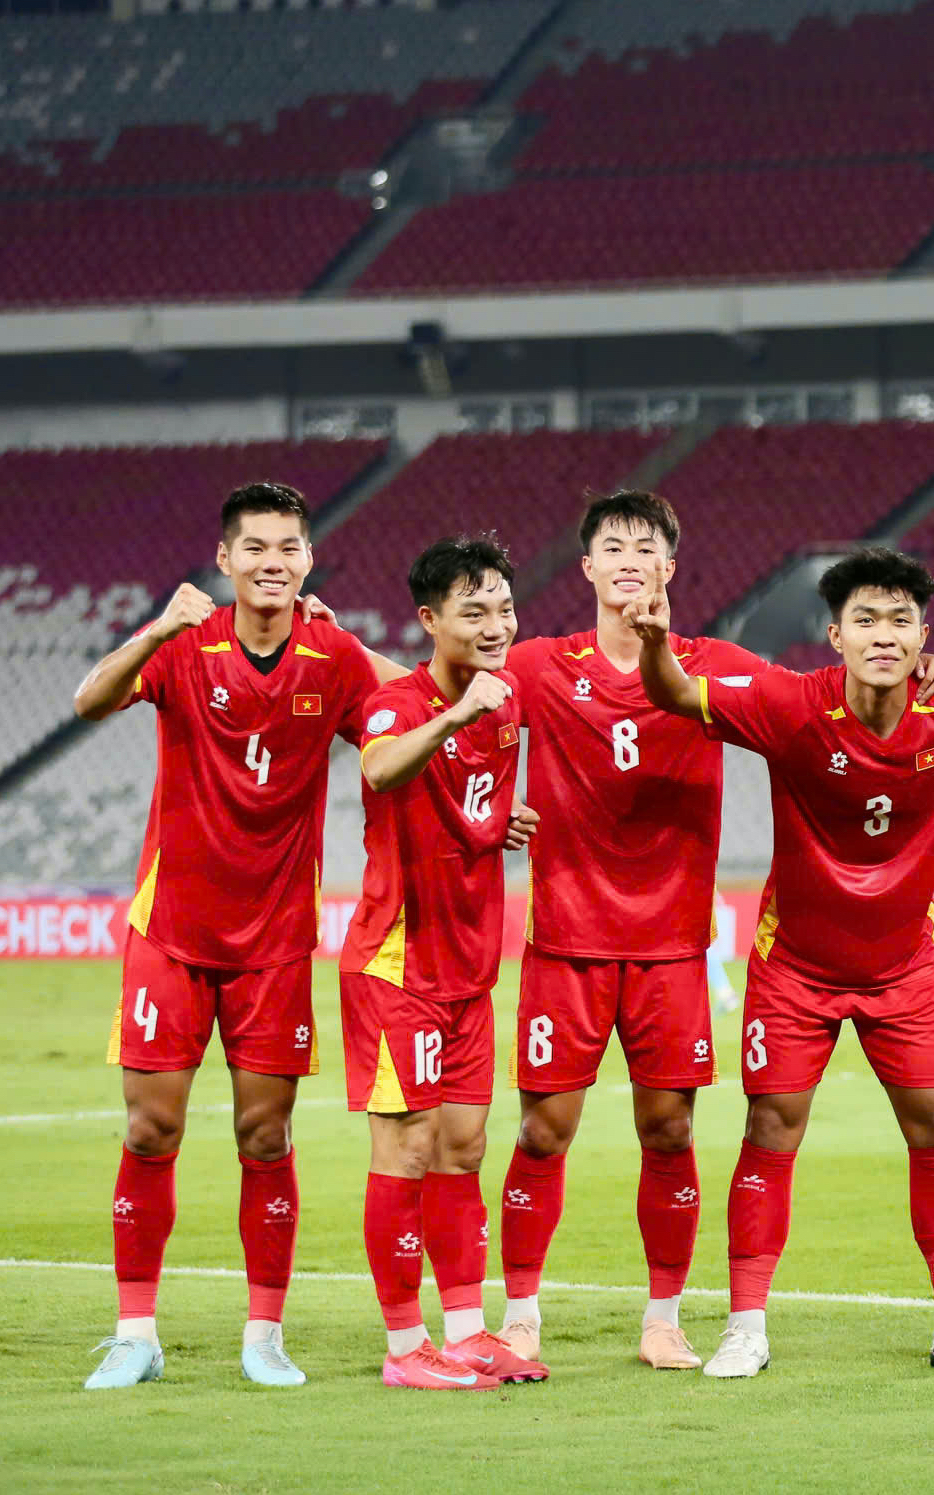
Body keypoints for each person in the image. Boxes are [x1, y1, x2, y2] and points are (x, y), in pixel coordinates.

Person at [634, 546, 934, 1379]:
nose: (885, 635)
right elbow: (669, 692)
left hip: (904, 966)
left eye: (900, 621)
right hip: (796, 966)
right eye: (867, 621)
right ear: (836, 633)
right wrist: (659, 642)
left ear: (925, 635)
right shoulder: (787, 703)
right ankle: (745, 1324)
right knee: (771, 1128)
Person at [72, 482, 384, 1390]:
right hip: (169, 932)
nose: (272, 561)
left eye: (288, 546)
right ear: (224, 559)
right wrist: (158, 628)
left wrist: (358, 641)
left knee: (264, 1134)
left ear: (309, 560)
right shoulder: (185, 647)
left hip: (276, 940)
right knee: (149, 1127)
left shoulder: (333, 655)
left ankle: (264, 1334)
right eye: (255, 547)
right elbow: (92, 700)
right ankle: (136, 1331)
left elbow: (412, 714)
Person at [489, 491, 761, 1372]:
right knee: (541, 1131)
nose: (630, 557)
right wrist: (494, 804)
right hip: (565, 940)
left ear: (670, 570)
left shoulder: (709, 664)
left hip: (671, 945)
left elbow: (808, 705)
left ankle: (663, 1317)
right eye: (614, 545)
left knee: (670, 1132)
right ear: (589, 569)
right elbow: (432, 695)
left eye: (647, 546)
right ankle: (521, 1311)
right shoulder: (538, 665)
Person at [342, 534, 546, 1390]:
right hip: (400, 967)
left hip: (469, 968)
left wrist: (495, 825)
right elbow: (382, 765)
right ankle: (402, 1346)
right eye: (475, 610)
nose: (496, 623)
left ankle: (465, 1329)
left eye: (502, 606)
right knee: (408, 1149)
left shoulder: (505, 700)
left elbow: (464, 798)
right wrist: (457, 714)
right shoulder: (399, 705)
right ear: (431, 621)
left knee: (464, 1146)